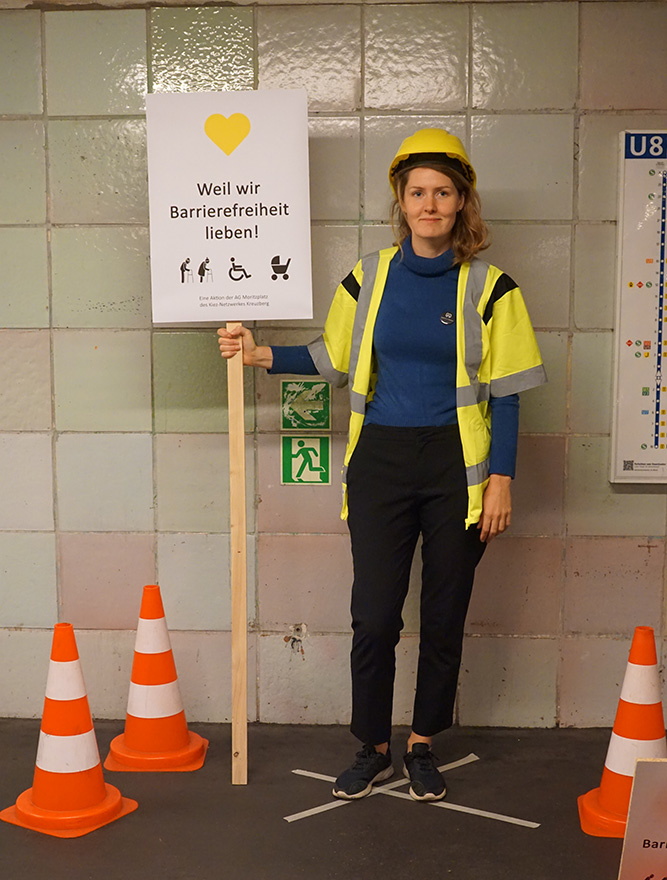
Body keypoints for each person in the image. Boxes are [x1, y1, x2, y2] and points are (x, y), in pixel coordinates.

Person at [218, 129, 546, 803]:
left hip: (459, 470)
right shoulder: (368, 276)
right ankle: (371, 744)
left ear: (462, 202)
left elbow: (508, 393)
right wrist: (257, 354)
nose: (429, 205)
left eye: (443, 193)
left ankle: (423, 742)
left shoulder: (491, 287)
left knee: (444, 613)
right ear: (400, 199)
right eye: (417, 192)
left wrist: (501, 481)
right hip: (381, 463)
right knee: (373, 616)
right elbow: (330, 360)